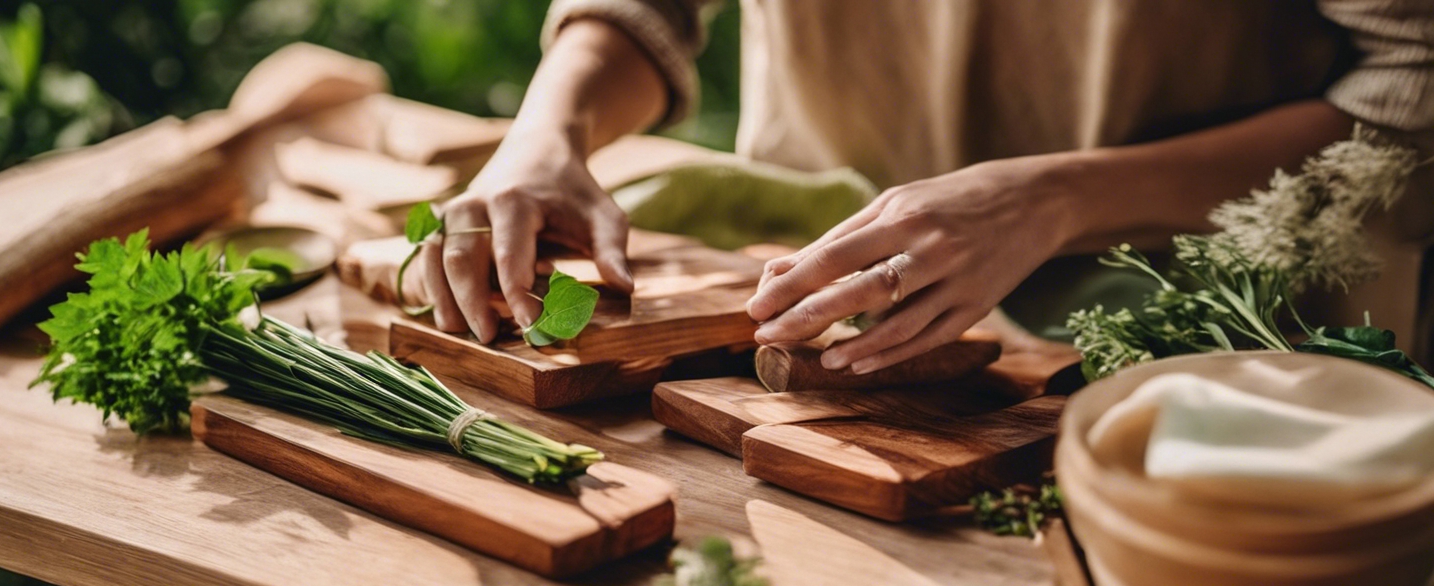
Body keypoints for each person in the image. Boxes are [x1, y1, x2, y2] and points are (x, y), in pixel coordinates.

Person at [408, 0, 1434, 370]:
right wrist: (550, 130)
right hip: (811, 267)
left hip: (1209, 318)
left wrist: (1053, 199)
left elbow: (1413, 92)